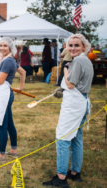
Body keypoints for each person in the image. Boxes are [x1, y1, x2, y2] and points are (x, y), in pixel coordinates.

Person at [43, 34, 93, 187]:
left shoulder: (77, 60)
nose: (72, 48)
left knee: (63, 139)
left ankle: (61, 178)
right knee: (77, 137)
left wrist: (65, 68)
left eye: (76, 45)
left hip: (74, 104)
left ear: (84, 47)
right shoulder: (85, 59)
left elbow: (70, 84)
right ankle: (74, 173)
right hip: (81, 101)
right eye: (70, 45)